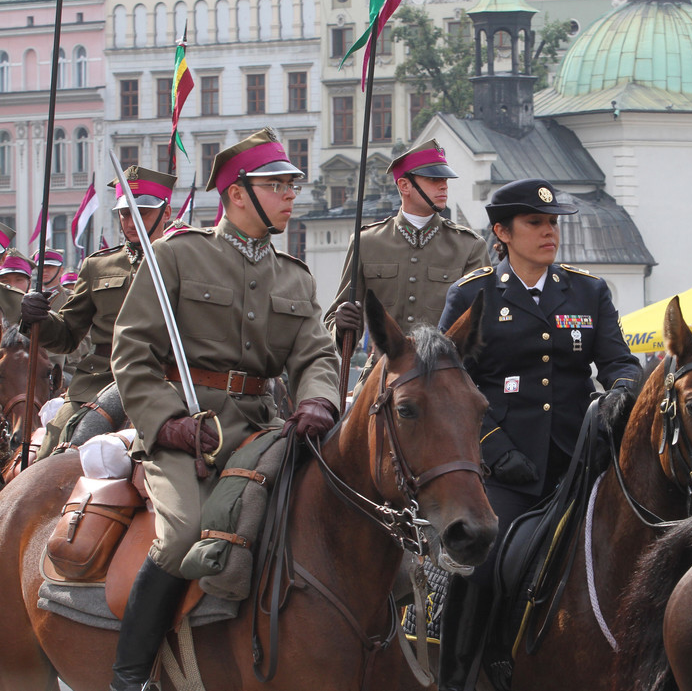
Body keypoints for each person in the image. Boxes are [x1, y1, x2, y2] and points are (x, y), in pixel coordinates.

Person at [107, 128, 340, 691]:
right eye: (277, 184)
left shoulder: (295, 276)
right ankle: (130, 676)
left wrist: (317, 399)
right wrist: (167, 422)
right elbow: (133, 350)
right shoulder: (178, 256)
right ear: (238, 193)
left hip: (265, 431)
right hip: (189, 431)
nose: (291, 195)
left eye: (292, 184)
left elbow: (316, 354)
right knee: (186, 531)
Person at [436, 178, 640, 691]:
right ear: (502, 232)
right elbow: (447, 385)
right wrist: (492, 449)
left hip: (581, 461)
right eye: (535, 223)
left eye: (553, 223)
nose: (549, 233)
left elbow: (620, 363)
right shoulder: (472, 293)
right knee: (479, 565)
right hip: (504, 467)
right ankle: (457, 678)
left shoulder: (587, 291)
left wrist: (620, 392)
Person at [19, 166, 176, 460]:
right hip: (99, 378)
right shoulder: (98, 266)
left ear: (166, 213)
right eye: (124, 213)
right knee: (50, 455)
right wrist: (35, 317)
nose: (131, 222)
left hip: (167, 376)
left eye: (142, 212)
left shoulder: (185, 260)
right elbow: (66, 336)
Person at [324, 139, 488, 378]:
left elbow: (482, 323)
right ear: (404, 185)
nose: (444, 187)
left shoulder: (469, 246)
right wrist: (341, 325)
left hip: (444, 376)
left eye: (445, 180)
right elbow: (337, 317)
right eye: (434, 180)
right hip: (381, 374)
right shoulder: (366, 242)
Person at [0, 250, 37, 323]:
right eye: (5, 281)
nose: (12, 286)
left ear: (29, 282)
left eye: (19, 280)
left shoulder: (39, 311)